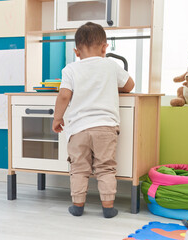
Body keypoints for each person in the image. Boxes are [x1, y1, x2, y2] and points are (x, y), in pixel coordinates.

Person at [52, 22, 135, 218]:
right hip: (105, 127)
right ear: (105, 47)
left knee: (79, 169)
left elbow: (64, 95)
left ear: (76, 51)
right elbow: (130, 85)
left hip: (78, 129)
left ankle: (78, 206)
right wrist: (111, 86)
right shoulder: (111, 65)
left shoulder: (70, 69)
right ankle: (108, 207)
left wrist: (57, 118)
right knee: (105, 168)